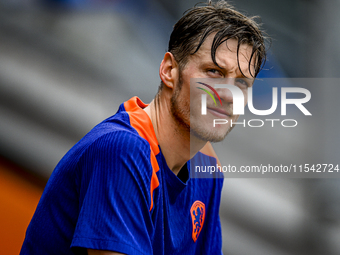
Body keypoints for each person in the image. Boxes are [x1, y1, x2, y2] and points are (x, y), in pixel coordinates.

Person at [20, 1, 267, 254]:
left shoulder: (207, 169)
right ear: (169, 70)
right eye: (213, 71)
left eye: (242, 84)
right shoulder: (122, 151)